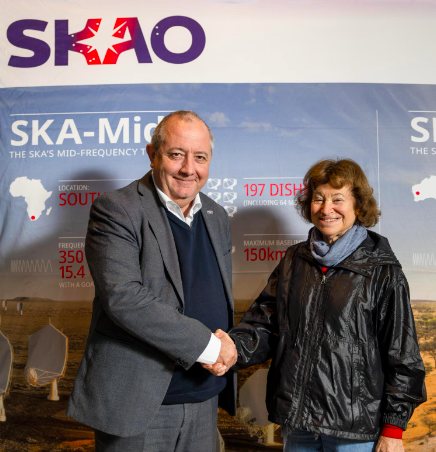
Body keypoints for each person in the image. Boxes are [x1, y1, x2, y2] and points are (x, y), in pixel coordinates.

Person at [221, 159, 426, 452]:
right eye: (318, 198)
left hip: (355, 432)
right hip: (299, 425)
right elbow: (264, 324)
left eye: (338, 199)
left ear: (359, 205)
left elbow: (402, 353)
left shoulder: (382, 269)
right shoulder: (294, 260)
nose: (326, 208)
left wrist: (393, 429)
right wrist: (228, 349)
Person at [66, 111, 237, 452]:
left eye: (200, 157)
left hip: (203, 397)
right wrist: (210, 347)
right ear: (152, 153)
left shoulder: (216, 215)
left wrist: (226, 347)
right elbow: (124, 297)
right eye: (177, 154)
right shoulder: (117, 209)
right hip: (137, 402)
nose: (189, 168)